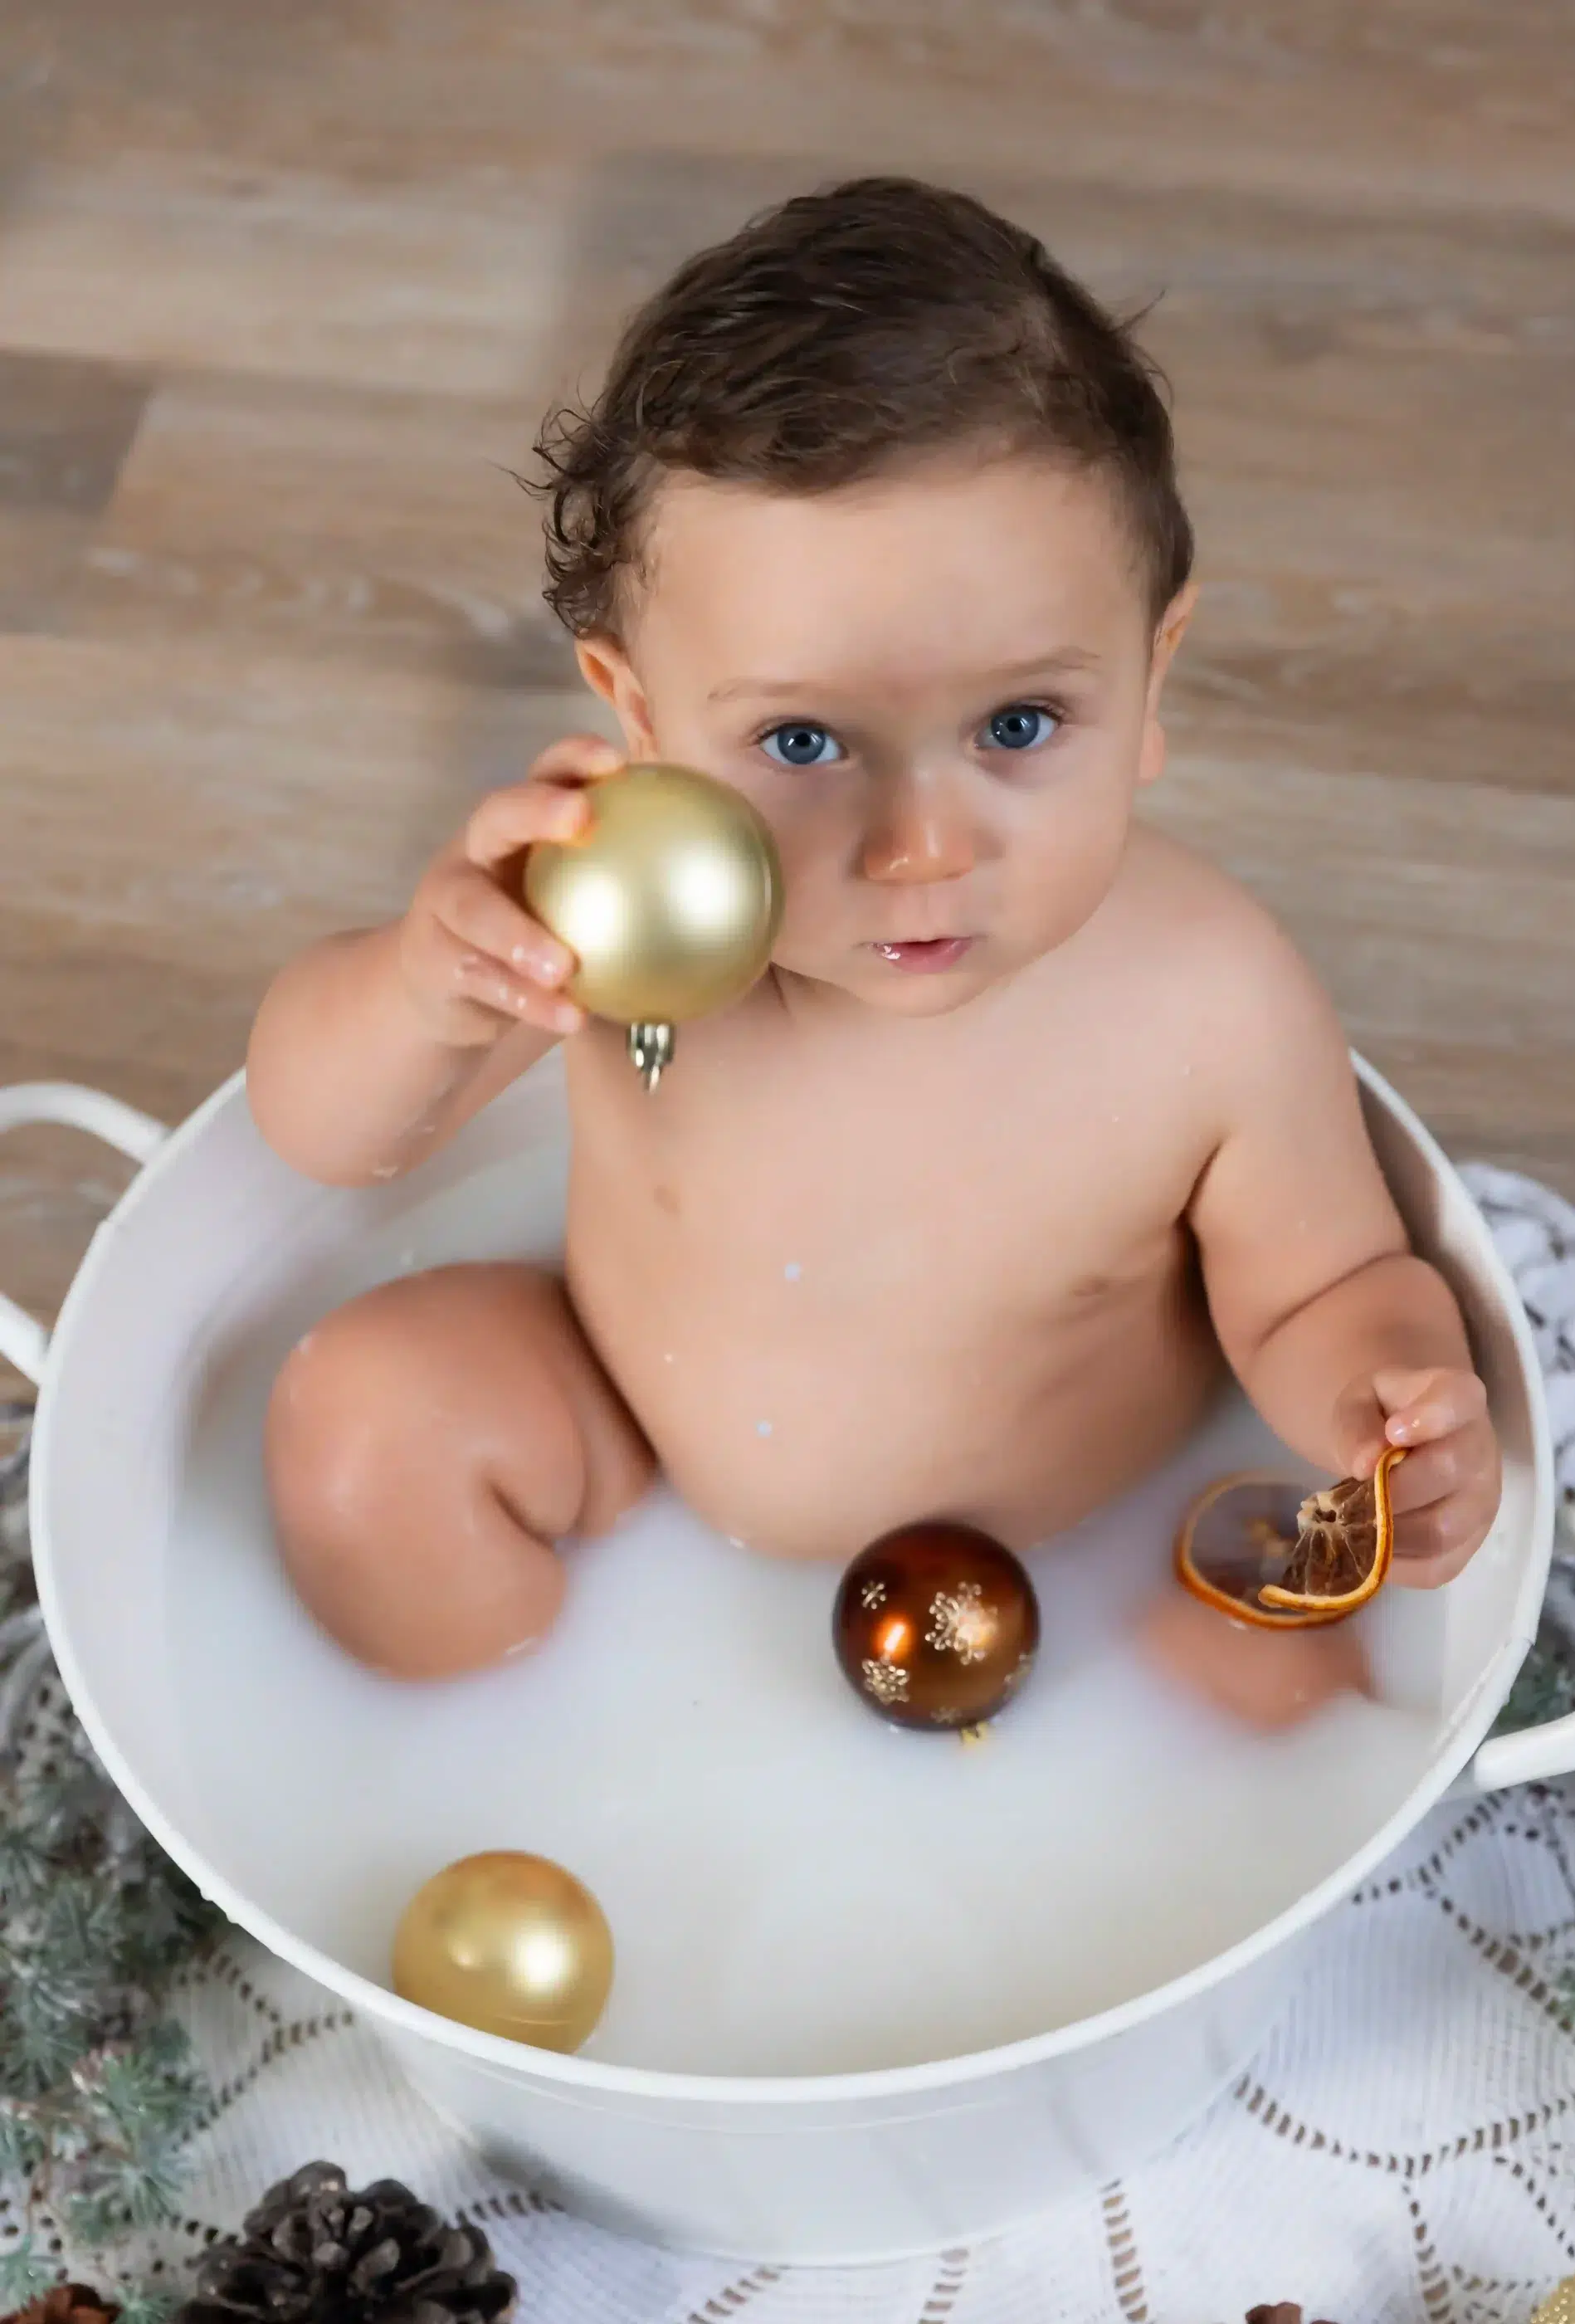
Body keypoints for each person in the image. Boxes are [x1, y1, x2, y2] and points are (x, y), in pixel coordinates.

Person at [246, 176, 1500, 1716]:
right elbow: (325, 1136)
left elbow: (1326, 1286)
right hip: (630, 1429)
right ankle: (479, 1752)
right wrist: (428, 988)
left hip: (1086, 1549)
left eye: (1019, 725)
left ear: (1152, 677)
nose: (921, 848)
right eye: (803, 740)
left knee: (1269, 1689)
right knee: (364, 1425)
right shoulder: (629, 921)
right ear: (638, 714)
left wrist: (1386, 1412)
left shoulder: (1207, 1003)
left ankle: (1149, 1763)